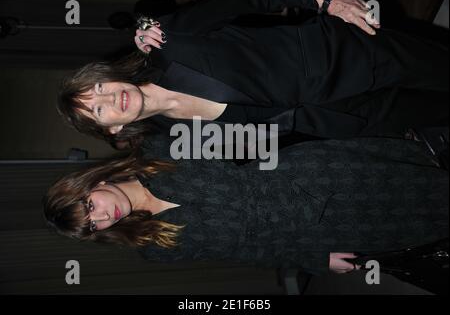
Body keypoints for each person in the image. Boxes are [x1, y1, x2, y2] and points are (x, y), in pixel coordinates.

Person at [58, 0, 448, 153]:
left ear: (108, 75)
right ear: (110, 130)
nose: (109, 98)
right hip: (348, 116)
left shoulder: (166, 41)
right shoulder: (175, 139)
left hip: (342, 57)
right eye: (99, 110)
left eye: (99, 88)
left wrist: (325, 0)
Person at [43, 137, 449, 275]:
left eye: (89, 206)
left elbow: (250, 135)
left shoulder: (157, 149)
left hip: (317, 175)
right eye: (92, 226)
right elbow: (246, 250)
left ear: (91, 183)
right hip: (316, 231)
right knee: (429, 219)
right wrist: (314, 261)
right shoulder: (154, 247)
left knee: (427, 181)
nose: (101, 217)